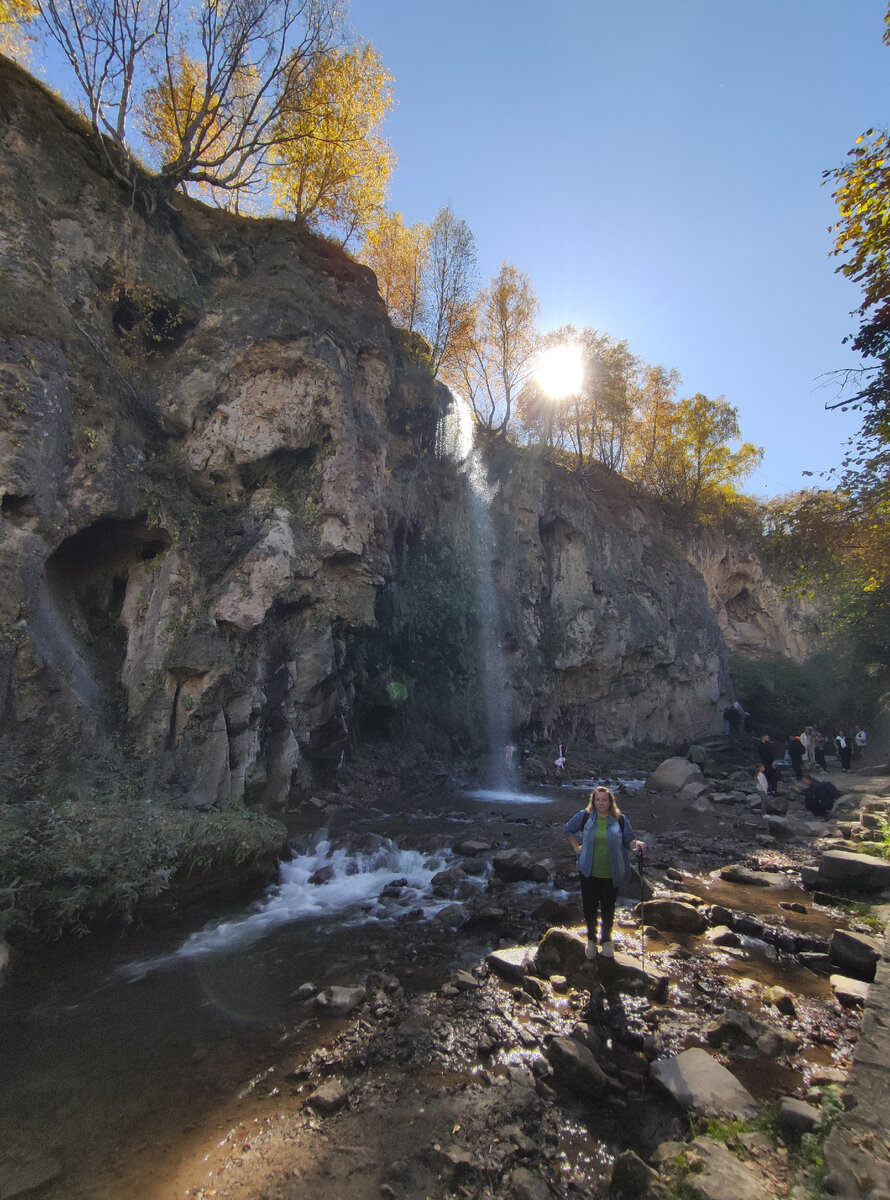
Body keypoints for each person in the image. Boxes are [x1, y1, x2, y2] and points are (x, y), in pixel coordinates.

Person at [564, 786, 645, 960]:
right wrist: (576, 848)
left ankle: (606, 940)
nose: (601, 803)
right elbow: (568, 829)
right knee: (589, 907)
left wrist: (637, 845)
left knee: (608, 907)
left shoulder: (620, 820)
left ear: (610, 802)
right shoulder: (585, 816)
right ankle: (592, 940)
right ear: (593, 801)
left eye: (604, 800)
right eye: (598, 800)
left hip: (611, 872)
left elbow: (629, 840)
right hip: (588, 870)